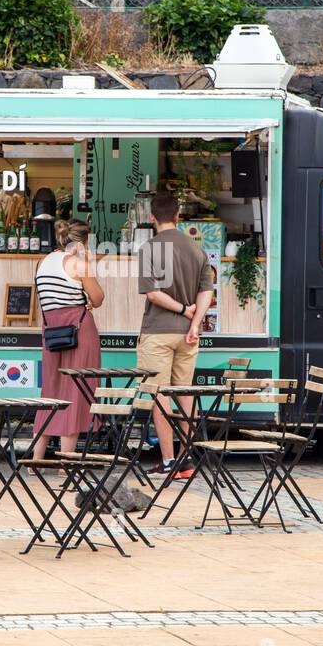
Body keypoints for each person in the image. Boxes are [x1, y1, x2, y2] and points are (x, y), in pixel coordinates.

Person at [136, 192, 214, 479]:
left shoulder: (149, 249)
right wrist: (195, 323)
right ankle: (186, 460)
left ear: (152, 217)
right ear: (179, 216)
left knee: (159, 396)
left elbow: (153, 293)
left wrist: (183, 310)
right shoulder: (196, 249)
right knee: (185, 395)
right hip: (187, 336)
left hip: (157, 332)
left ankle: (169, 461)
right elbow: (207, 292)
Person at [32, 219, 105, 461]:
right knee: (76, 391)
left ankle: (36, 459)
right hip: (79, 330)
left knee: (51, 390)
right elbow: (98, 297)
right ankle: (67, 460)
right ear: (83, 241)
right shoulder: (78, 264)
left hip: (51, 331)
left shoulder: (42, 262)